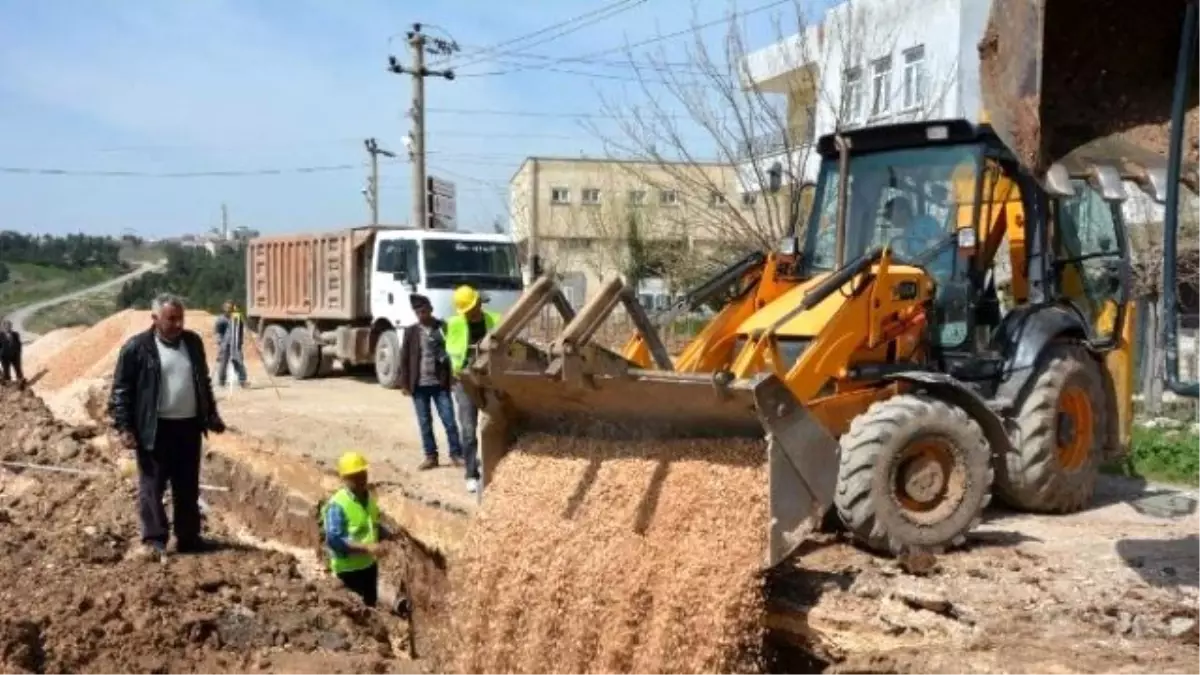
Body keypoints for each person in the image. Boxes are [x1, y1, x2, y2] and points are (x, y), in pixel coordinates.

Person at [108, 293, 227, 560]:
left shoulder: (193, 343)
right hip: (155, 429)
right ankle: (154, 540)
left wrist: (211, 414)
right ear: (155, 319)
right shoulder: (137, 348)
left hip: (188, 428)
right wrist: (125, 427)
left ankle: (188, 537)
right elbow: (121, 391)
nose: (177, 324)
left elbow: (202, 381)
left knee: (187, 485)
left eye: (180, 318)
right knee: (152, 485)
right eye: (171, 319)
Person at [397, 294, 464, 471]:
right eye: (418, 312)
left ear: (431, 310)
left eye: (424, 311)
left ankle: (456, 454)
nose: (421, 315)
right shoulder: (411, 332)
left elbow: (452, 352)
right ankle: (430, 456)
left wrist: (453, 379)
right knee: (425, 423)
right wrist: (405, 384)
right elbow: (404, 359)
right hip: (419, 385)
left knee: (449, 421)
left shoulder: (443, 328)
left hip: (440, 384)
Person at [446, 285, 501, 494]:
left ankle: (496, 468)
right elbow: (453, 354)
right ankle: (471, 473)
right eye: (466, 310)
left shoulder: (494, 320)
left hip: (489, 381)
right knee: (468, 430)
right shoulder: (454, 324)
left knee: (495, 425)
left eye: (472, 308)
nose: (470, 313)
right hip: (465, 382)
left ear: (478, 303)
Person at [321, 451, 389, 607]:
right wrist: (367, 547)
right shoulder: (338, 505)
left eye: (362, 474)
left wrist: (385, 533)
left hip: (369, 566)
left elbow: (370, 524)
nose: (361, 479)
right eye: (355, 476)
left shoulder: (369, 499)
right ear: (344, 479)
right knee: (356, 611)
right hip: (348, 572)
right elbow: (335, 540)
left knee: (370, 607)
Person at [214, 300, 249, 389]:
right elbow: (218, 331)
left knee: (238, 361)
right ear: (224, 308)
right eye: (227, 307)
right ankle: (221, 381)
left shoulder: (237, 318)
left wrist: (240, 341)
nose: (229, 309)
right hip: (225, 344)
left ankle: (242, 381)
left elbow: (240, 330)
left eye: (230, 307)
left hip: (236, 343)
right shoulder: (221, 319)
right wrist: (220, 341)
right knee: (223, 363)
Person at [0, 319, 24, 388]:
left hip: (15, 356)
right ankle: (9, 385)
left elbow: (19, 344)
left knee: (18, 370)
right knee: (6, 371)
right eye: (6, 326)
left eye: (9, 326)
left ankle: (21, 384)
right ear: (3, 327)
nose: (8, 328)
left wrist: (18, 353)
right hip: (5, 358)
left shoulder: (16, 334)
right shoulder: (0, 336)